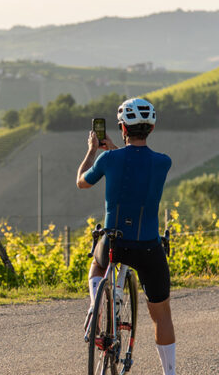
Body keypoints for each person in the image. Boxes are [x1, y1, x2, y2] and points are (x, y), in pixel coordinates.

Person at [76, 97, 176, 375]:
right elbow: (139, 166)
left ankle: (97, 305)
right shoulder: (163, 163)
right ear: (152, 129)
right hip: (147, 247)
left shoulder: (108, 159)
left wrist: (93, 151)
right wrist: (117, 150)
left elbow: (81, 181)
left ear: (122, 127)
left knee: (96, 265)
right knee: (161, 314)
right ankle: (170, 372)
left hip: (114, 243)